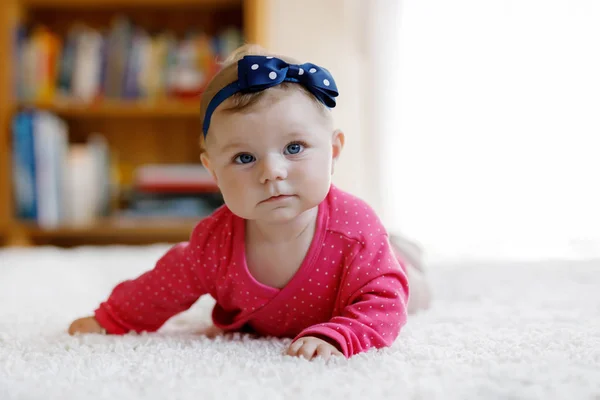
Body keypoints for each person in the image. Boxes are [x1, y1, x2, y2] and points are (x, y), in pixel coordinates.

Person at [68, 44, 431, 360]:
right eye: (244, 158)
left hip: (371, 271)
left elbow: (385, 301)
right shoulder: (213, 244)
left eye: (294, 148)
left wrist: (342, 334)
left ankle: (400, 251)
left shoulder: (355, 228)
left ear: (333, 151)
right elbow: (163, 285)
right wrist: (111, 319)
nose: (272, 172)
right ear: (212, 171)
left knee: (413, 290)